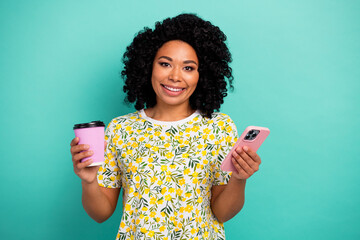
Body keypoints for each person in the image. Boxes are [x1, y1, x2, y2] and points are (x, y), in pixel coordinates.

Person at [70, 13, 262, 240]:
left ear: (202, 75)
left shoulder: (219, 128)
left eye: (188, 68)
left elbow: (222, 212)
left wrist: (240, 179)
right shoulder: (120, 130)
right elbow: (100, 214)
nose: (175, 76)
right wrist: (89, 181)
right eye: (165, 64)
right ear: (148, 66)